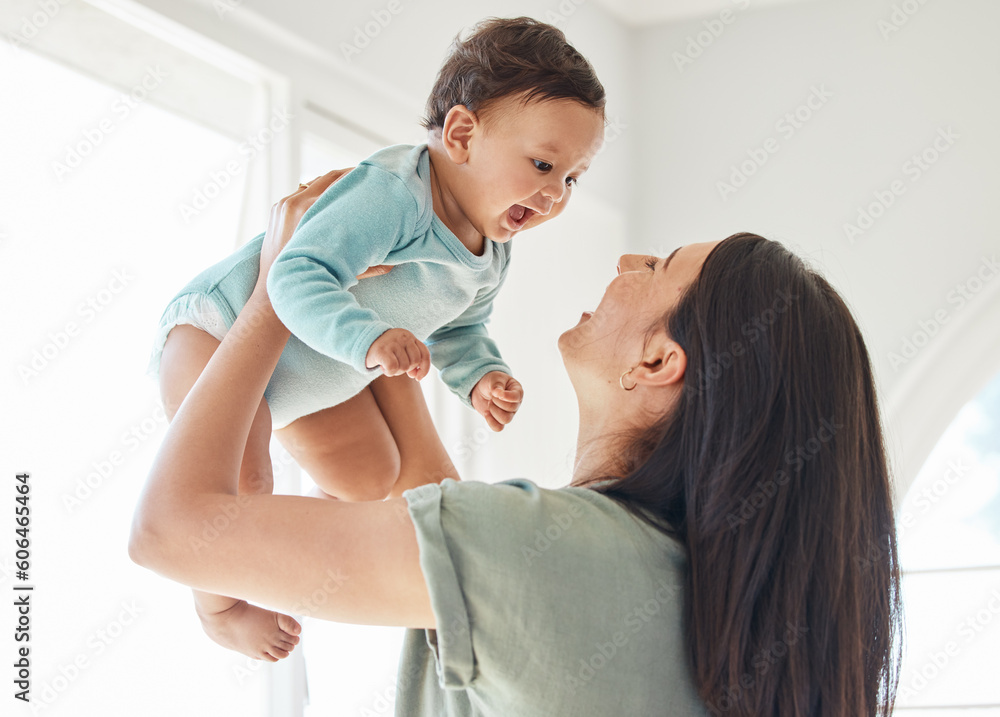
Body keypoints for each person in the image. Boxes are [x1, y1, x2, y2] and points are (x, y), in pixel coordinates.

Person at [130, 170, 903, 716]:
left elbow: (170, 530)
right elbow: (425, 490)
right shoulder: (697, 594)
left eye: (659, 267)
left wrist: (278, 285)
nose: (628, 261)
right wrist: (377, 303)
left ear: (658, 362)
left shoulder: (545, 550)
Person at [143, 16, 606, 660]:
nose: (555, 194)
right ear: (462, 134)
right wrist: (371, 339)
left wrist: (479, 377)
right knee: (243, 480)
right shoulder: (395, 195)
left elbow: (461, 326)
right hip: (218, 331)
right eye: (544, 165)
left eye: (572, 179)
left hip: (310, 367)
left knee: (369, 476)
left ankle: (291, 555)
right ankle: (218, 608)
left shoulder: (493, 251)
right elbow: (294, 273)